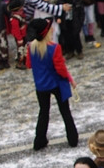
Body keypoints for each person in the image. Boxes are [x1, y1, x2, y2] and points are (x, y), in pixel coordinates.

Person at [25, 18, 78, 151]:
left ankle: (39, 140)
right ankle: (72, 139)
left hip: (41, 86)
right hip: (57, 84)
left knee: (43, 112)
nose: (53, 29)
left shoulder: (31, 47)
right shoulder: (54, 48)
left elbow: (29, 64)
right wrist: (70, 79)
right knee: (65, 112)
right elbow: (60, 69)